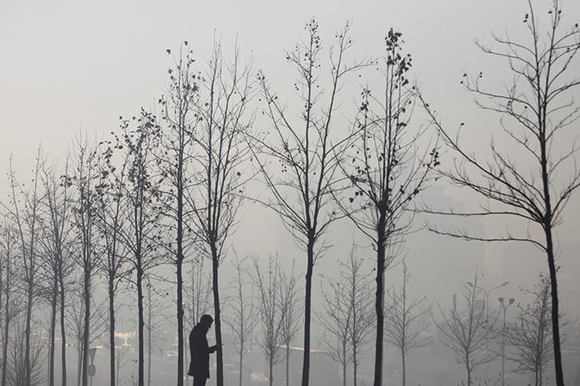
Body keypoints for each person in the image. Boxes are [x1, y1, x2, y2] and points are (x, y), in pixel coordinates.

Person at [188, 314, 218, 386]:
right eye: (208, 325)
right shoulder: (199, 333)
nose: (208, 327)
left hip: (198, 366)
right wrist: (213, 348)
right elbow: (201, 350)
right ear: (205, 323)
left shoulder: (197, 332)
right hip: (200, 366)